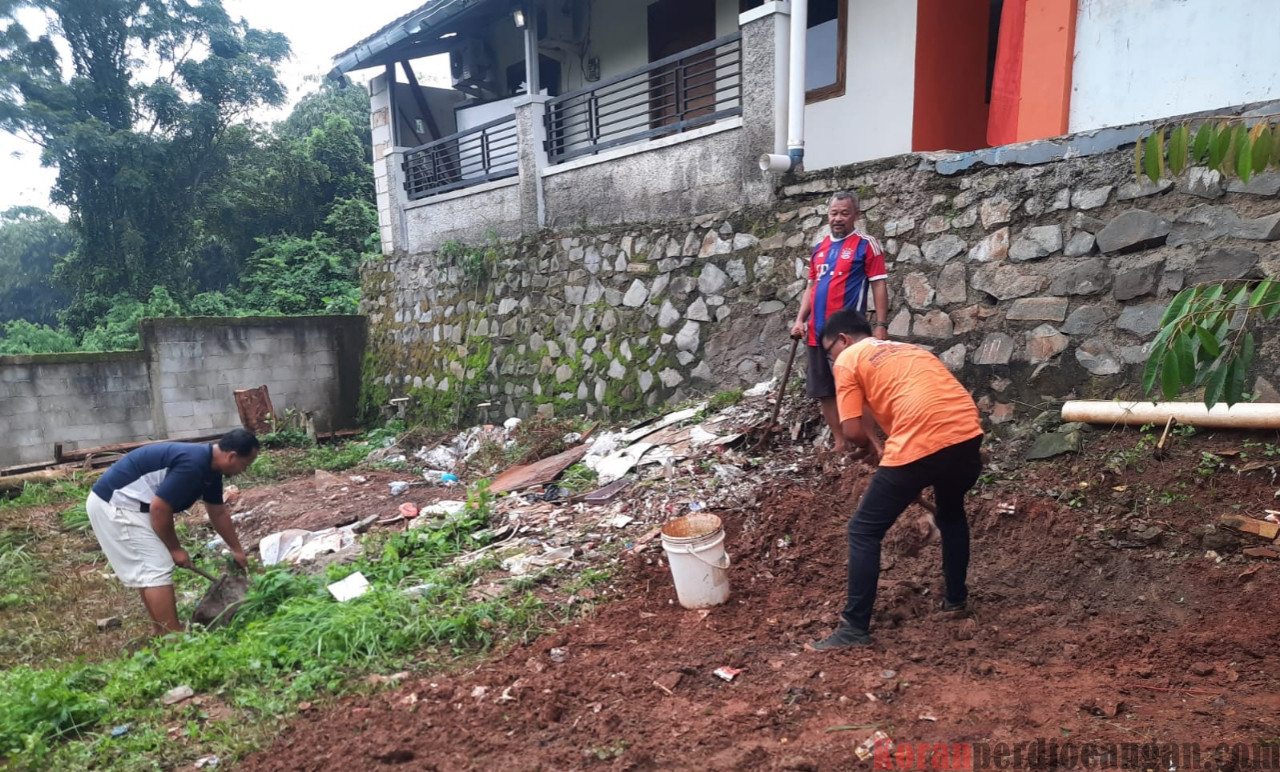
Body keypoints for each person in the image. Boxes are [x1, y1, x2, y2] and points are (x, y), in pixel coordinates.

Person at [807, 310, 984, 650]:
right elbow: (891, 408)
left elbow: (852, 430)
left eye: (830, 352)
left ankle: (853, 629)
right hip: (966, 433)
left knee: (863, 530)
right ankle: (955, 600)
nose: (832, 361)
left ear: (843, 340)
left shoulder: (848, 360)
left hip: (923, 438)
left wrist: (861, 445)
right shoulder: (909, 350)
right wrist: (875, 445)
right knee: (950, 513)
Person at [85, 429, 260, 635]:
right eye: (245, 464)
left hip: (130, 505)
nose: (244, 470)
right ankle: (173, 637)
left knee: (149, 570)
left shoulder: (210, 469)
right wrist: (176, 549)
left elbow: (218, 511)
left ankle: (160, 631)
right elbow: (160, 509)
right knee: (156, 567)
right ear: (232, 456)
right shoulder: (193, 464)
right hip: (116, 504)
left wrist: (237, 549)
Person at [790, 191, 890, 451]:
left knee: (857, 388)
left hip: (848, 336)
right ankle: (840, 441)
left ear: (856, 215)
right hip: (816, 332)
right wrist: (800, 320)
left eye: (845, 213)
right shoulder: (819, 248)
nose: (838, 218)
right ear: (827, 215)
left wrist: (880, 325)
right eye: (834, 213)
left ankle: (871, 443)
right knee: (824, 390)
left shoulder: (866, 245)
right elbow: (811, 288)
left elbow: (879, 286)